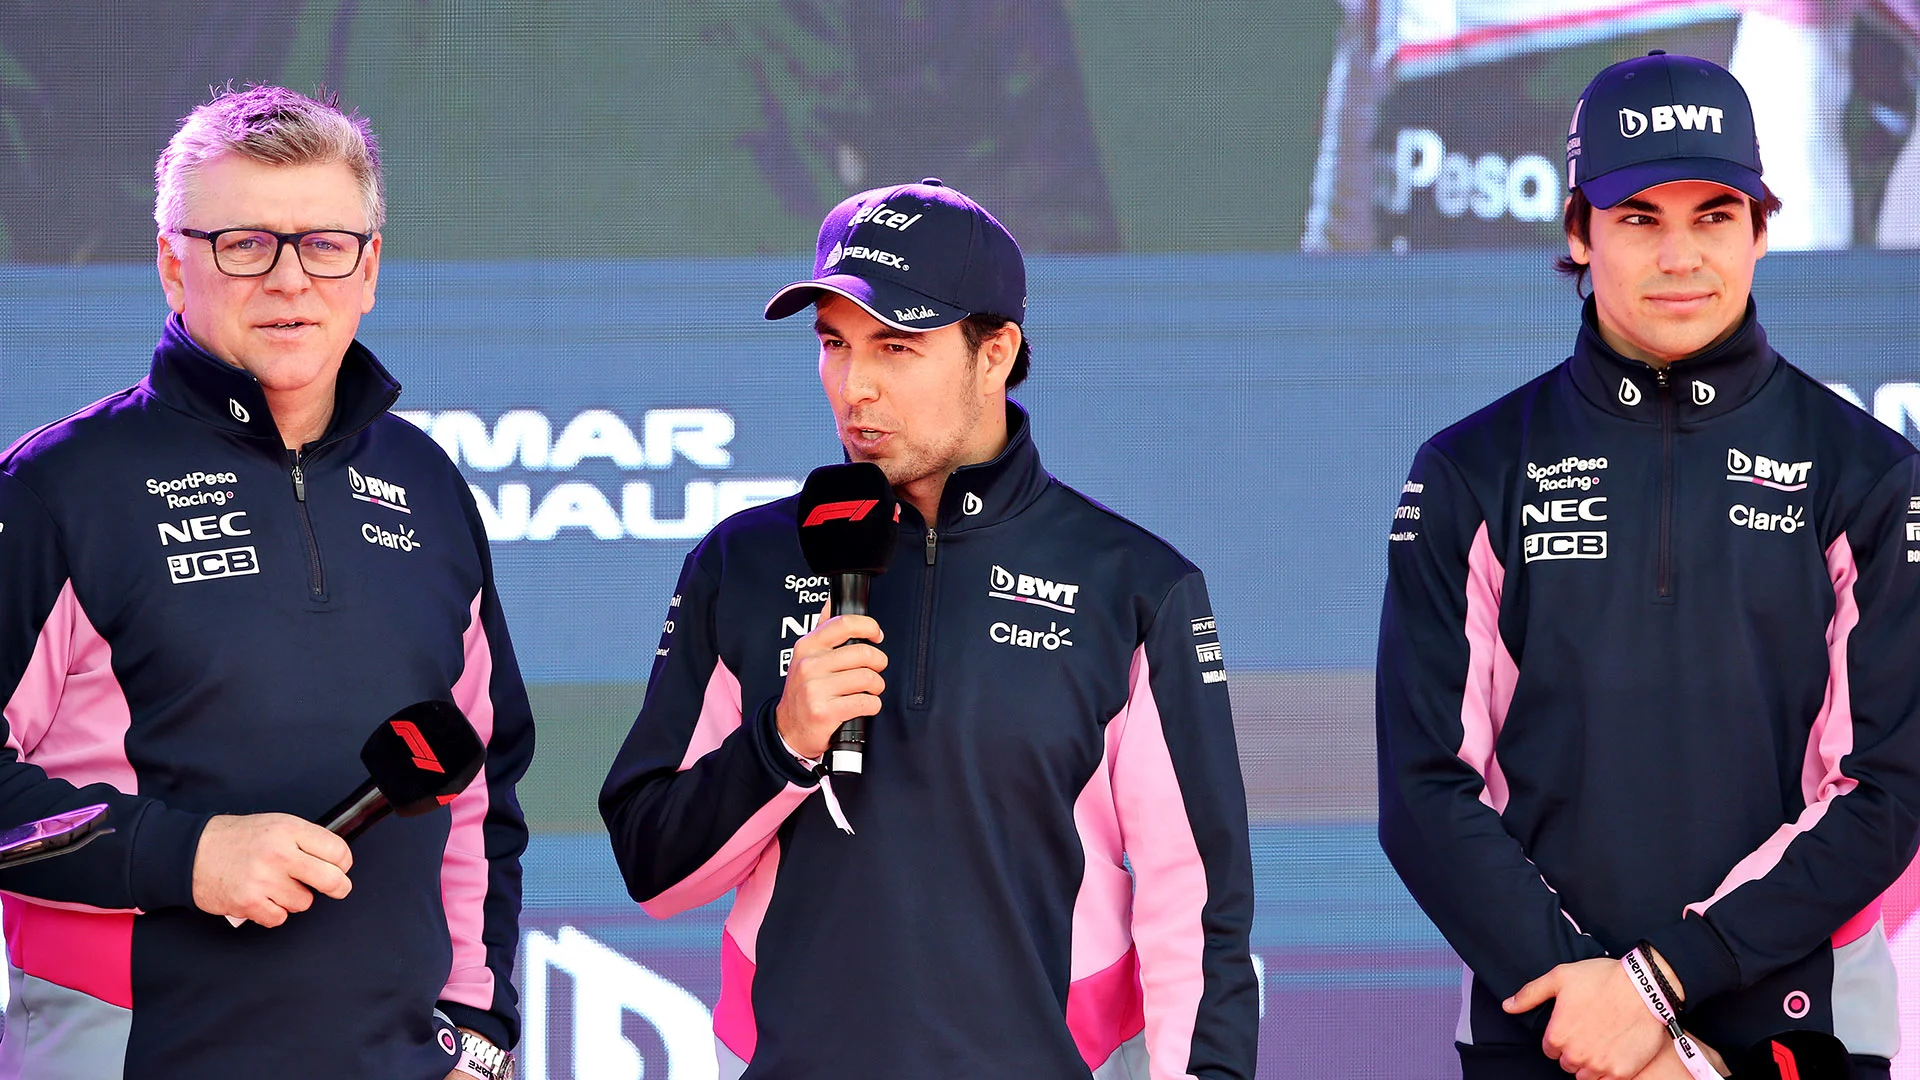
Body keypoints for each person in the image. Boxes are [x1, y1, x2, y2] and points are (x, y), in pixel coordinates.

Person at [601, 179, 1257, 1078]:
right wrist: (782, 743)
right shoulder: (742, 563)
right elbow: (655, 869)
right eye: (834, 343)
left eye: (897, 346)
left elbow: (1197, 903)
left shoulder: (1135, 585)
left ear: (996, 352)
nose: (855, 385)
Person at [1377, 51, 1920, 1079]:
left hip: (1803, 1032)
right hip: (1545, 1029)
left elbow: (1884, 788)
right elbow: (1425, 788)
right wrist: (1597, 1010)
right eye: (1639, 218)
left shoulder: (1869, 474)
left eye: (1714, 215)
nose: (1681, 256)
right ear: (1579, 231)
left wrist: (1662, 985)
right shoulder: (1472, 471)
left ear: (1762, 227)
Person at [0, 85, 533, 1080]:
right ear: (173, 263)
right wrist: (181, 855)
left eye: (325, 244)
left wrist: (478, 1027)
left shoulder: (425, 484)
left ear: (369, 267)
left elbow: (478, 786)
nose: (290, 281)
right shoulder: (58, 488)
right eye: (244, 243)